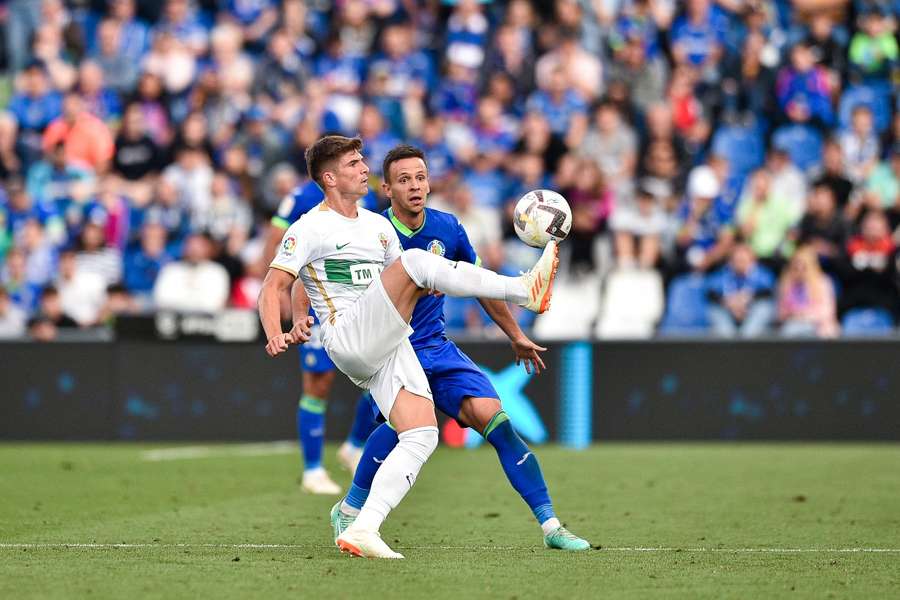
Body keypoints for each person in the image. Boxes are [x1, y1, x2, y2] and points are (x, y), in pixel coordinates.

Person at [258, 135, 559, 559]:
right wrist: (277, 328)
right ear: (329, 178)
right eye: (353, 164)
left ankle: (362, 526)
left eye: (363, 161)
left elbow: (402, 284)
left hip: (387, 340)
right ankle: (525, 289)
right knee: (417, 262)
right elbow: (274, 284)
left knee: (420, 435)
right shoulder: (309, 226)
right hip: (347, 334)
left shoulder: (378, 227)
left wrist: (437, 282)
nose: (364, 168)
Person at [328, 144, 590, 552]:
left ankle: (551, 525)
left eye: (420, 178)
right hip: (393, 352)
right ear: (387, 188)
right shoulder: (370, 233)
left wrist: (515, 335)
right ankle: (351, 509)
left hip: (437, 347)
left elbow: (477, 282)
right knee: (399, 429)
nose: (414, 186)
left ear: (429, 183)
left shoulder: (448, 228)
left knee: (498, 424)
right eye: (403, 180)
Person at [262, 179, 382, 494]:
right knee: (319, 382)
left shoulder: (364, 201)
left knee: (381, 377)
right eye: (351, 161)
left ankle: (355, 446)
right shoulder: (303, 197)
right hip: (317, 301)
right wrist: (282, 296)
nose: (360, 168)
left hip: (362, 303)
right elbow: (276, 238)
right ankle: (312, 470)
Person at [705, 243, 776, 338]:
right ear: (730, 262)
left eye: (744, 260)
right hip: (728, 310)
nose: (740, 264)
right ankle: (728, 343)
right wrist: (728, 302)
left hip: (751, 311)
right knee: (714, 310)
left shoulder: (762, 274)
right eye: (737, 261)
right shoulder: (723, 273)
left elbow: (767, 292)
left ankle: (746, 341)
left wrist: (748, 299)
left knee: (764, 308)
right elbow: (711, 292)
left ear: (752, 261)